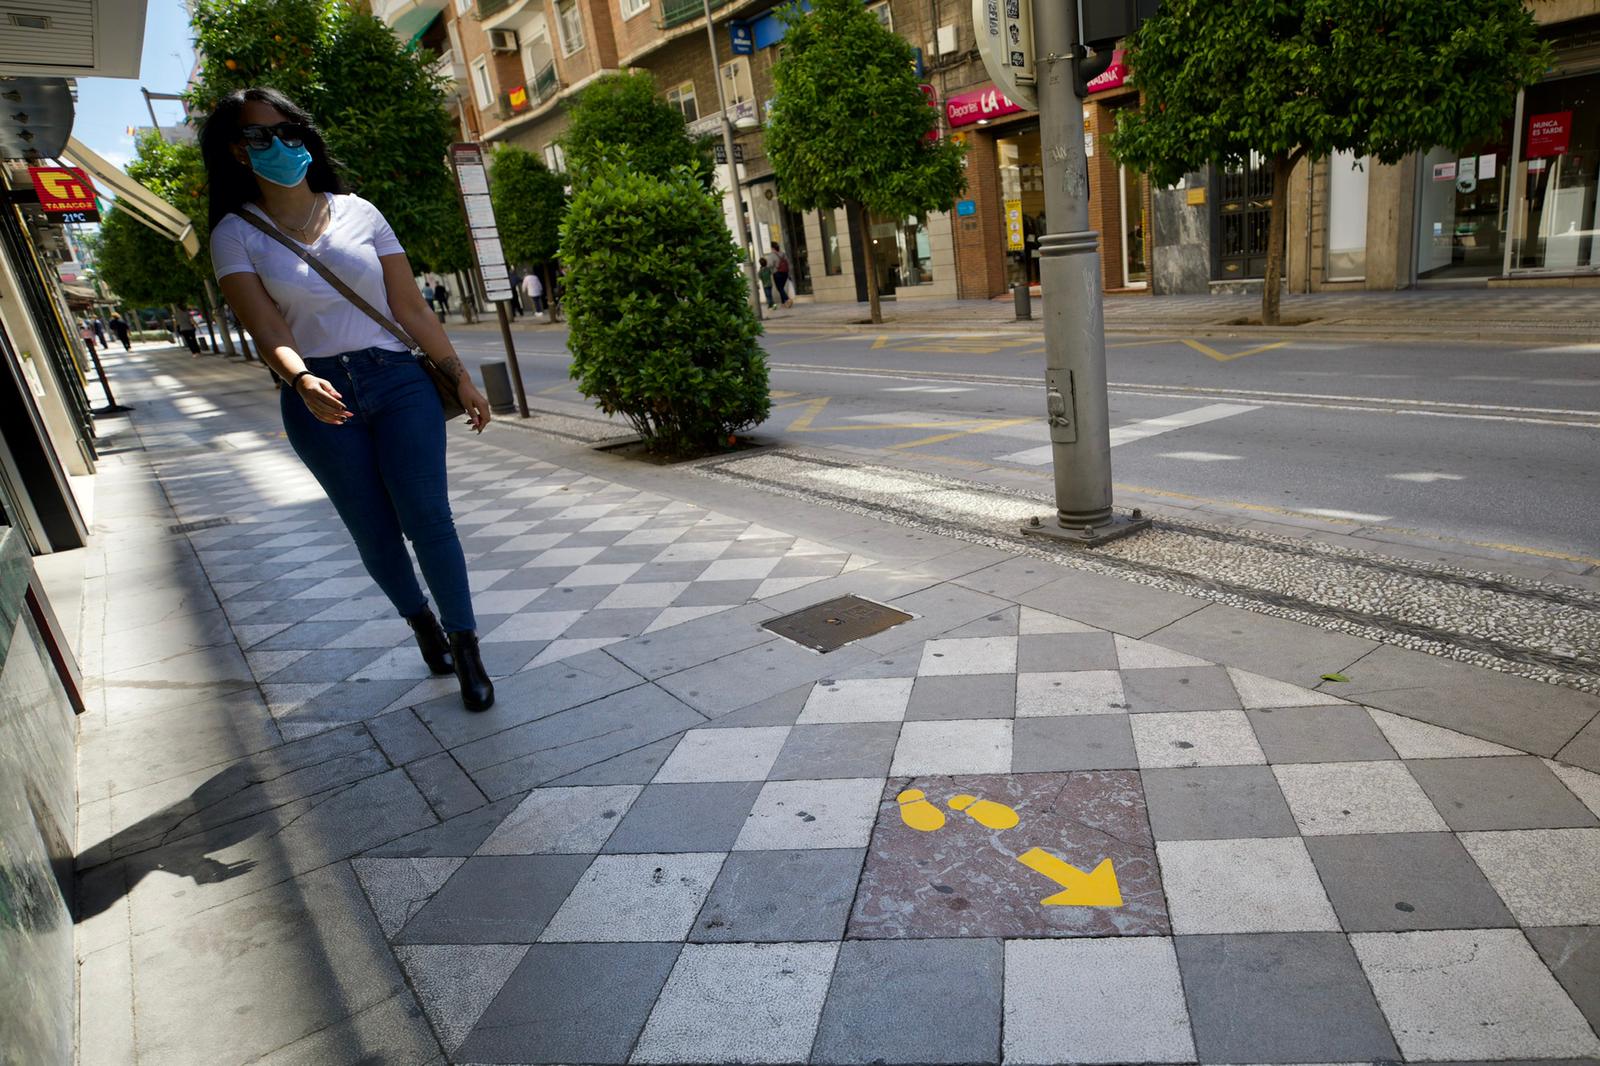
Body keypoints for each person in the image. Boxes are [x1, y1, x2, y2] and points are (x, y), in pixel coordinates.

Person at [201, 86, 495, 712]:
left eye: (288, 131)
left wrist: (458, 375)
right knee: (374, 533)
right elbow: (269, 329)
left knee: (429, 519)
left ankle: (468, 648)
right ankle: (424, 627)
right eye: (259, 136)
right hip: (318, 394)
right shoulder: (234, 234)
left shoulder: (361, 211)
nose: (279, 145)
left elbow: (410, 307)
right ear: (236, 151)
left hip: (398, 381)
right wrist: (301, 380)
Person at [770, 242, 793, 308]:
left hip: (777, 273)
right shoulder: (783, 254)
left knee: (779, 288)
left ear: (772, 248)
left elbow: (770, 264)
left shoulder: (772, 255)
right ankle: (783, 303)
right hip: (785, 273)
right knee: (781, 288)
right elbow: (788, 262)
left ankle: (787, 299)